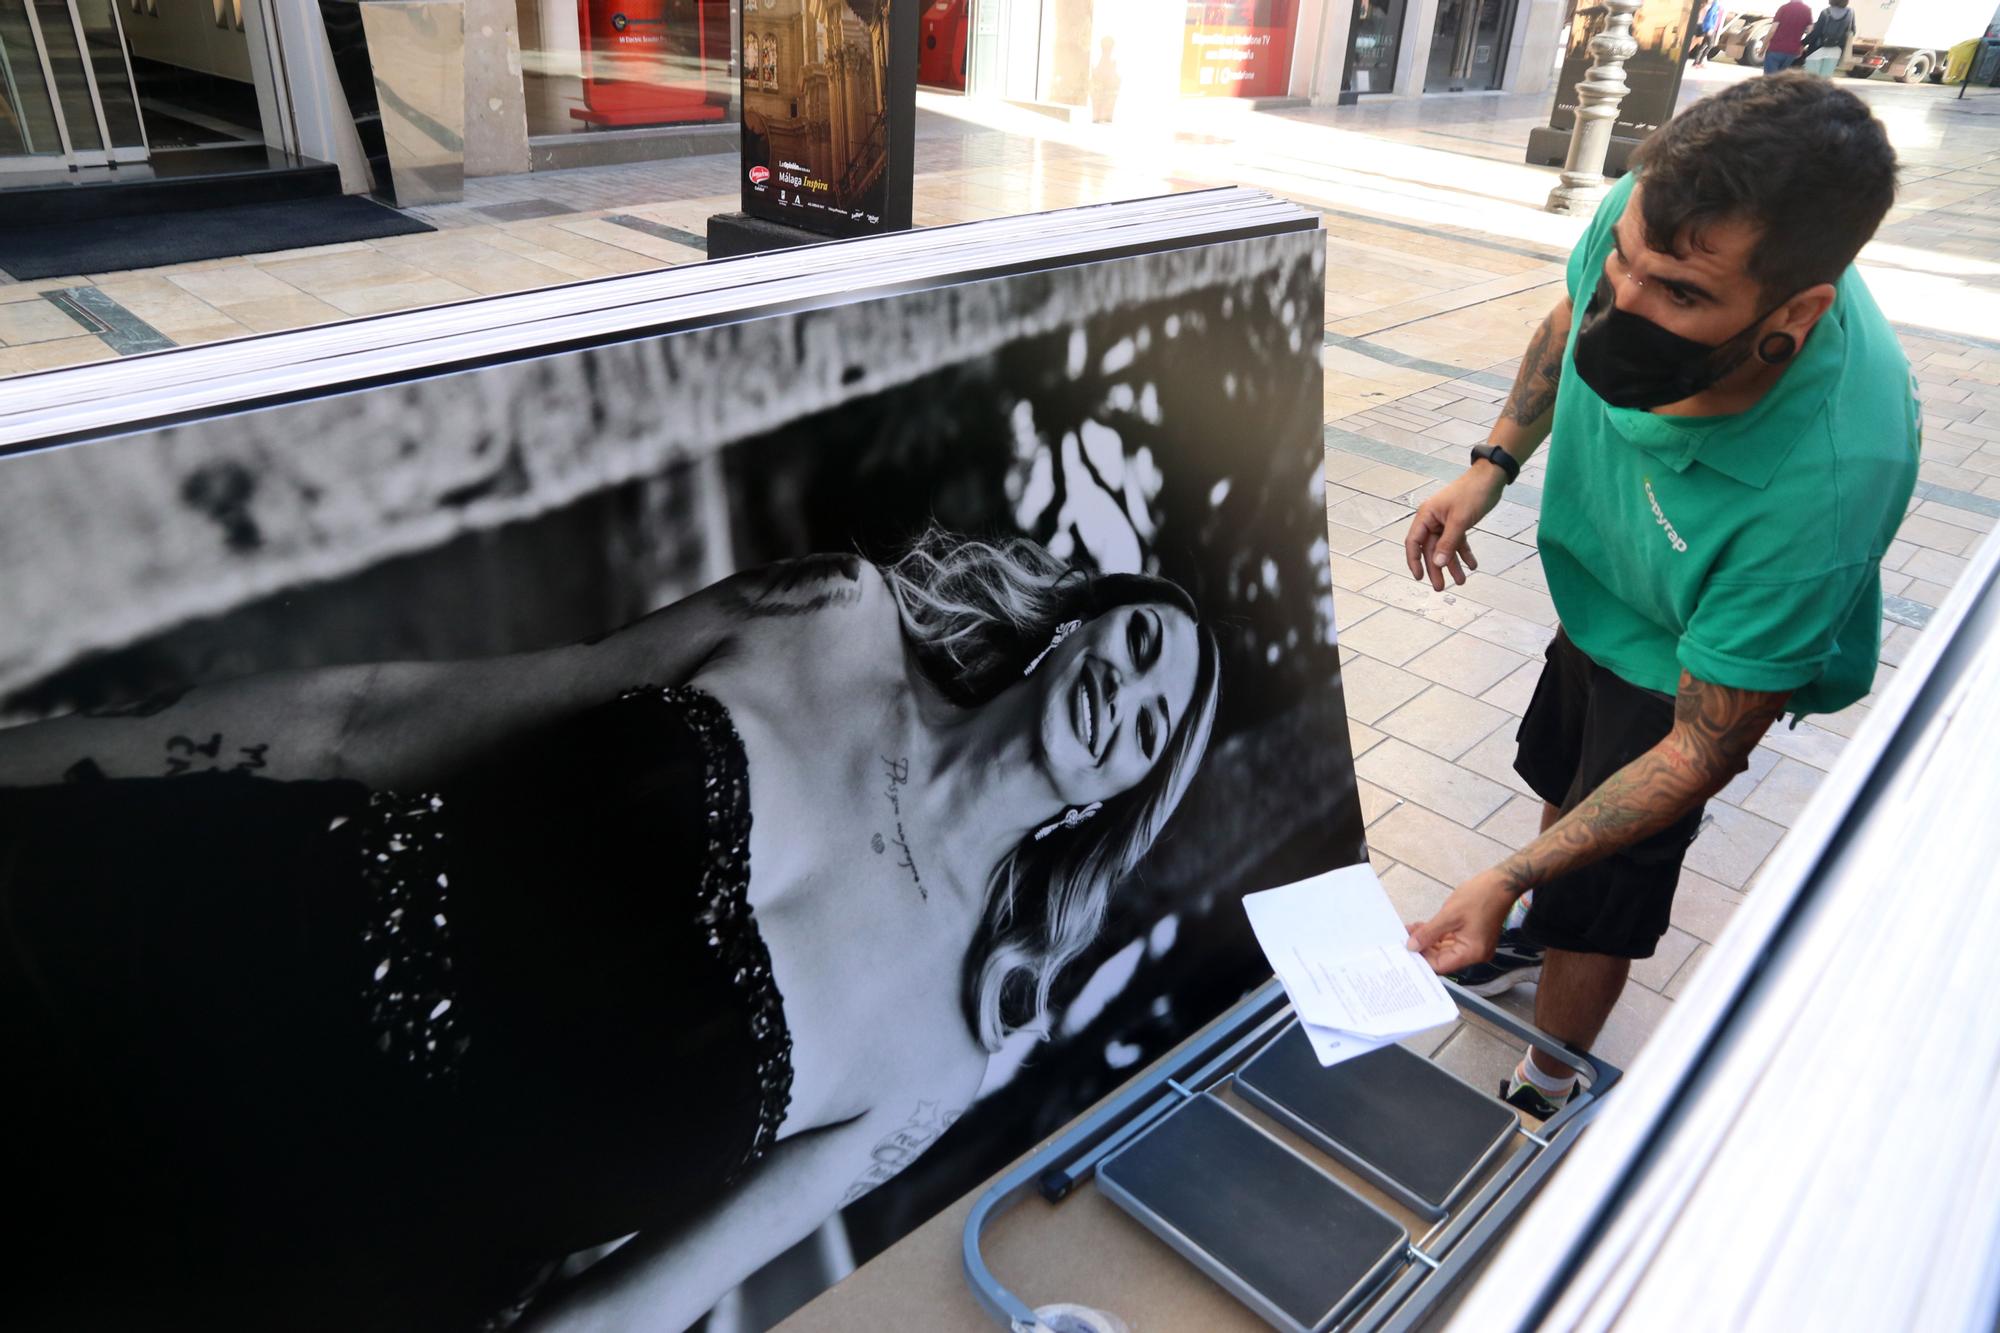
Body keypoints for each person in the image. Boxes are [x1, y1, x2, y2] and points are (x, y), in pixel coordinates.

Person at [0, 528, 1220, 1332]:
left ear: (1123, 797)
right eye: (1143, 639)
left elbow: (631, 1308)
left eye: (1161, 723)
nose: (1133, 692)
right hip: (195, 964)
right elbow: (379, 718)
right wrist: (35, 761)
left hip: (313, 1284)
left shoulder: (944, 1051)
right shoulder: (830, 616)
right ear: (1082, 619)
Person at [1401, 74, 1915, 1118]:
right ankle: (1532, 927)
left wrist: (1500, 872)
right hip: (1598, 589)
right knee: (1559, 779)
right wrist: (1491, 459)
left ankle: (1549, 1072)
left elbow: (1702, 748)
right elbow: (1568, 309)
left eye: (1677, 295)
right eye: (1625, 267)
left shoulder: (1822, 484)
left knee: (1607, 882)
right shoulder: (1651, 222)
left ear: (1796, 311)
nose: (1623, 304)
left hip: (1689, 654)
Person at [1798, 0, 1857, 75]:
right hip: (1835, 50)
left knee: (1811, 79)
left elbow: (1816, 32)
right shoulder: (1850, 12)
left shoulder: (1825, 12)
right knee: (1825, 80)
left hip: (1818, 48)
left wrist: (1802, 43)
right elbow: (1853, 31)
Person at [1764, 0, 1813, 71]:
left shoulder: (1784, 8)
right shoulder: (1807, 10)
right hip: (1792, 52)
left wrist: (1763, 47)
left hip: (1776, 48)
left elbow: (1773, 30)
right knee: (1780, 77)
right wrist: (1801, 47)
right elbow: (1810, 32)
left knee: (1769, 79)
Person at [1691, 0, 1725, 65]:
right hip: (1710, 28)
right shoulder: (1715, 5)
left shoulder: (1717, 5)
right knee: (1710, 45)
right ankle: (1699, 62)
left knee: (1703, 46)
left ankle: (1696, 62)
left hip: (1710, 28)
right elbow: (1710, 16)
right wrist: (1709, 28)